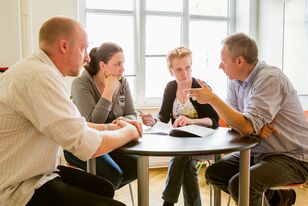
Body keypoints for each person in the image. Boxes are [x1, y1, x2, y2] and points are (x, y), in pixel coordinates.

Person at [0, 16, 142, 206]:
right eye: (83, 48)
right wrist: (130, 131)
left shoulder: (38, 71)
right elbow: (86, 145)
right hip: (18, 187)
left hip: (37, 173)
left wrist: (110, 128)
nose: (86, 57)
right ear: (64, 46)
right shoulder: (41, 77)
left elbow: (74, 123)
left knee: (104, 188)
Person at [186, 32, 308, 206]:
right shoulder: (235, 81)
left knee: (242, 185)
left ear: (240, 61)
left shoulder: (270, 79)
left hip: (293, 157)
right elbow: (236, 123)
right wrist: (251, 126)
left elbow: (245, 127)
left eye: (223, 60)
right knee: (214, 173)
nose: (220, 66)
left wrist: (213, 99)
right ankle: (276, 199)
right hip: (260, 151)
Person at [140, 46, 219, 206]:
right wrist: (153, 121)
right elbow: (163, 116)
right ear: (171, 71)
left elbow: (214, 120)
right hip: (181, 143)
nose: (184, 73)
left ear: (192, 65)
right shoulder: (170, 87)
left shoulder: (201, 87)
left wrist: (191, 121)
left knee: (181, 156)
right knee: (186, 163)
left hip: (204, 143)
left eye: (188, 67)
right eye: (179, 69)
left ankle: (167, 203)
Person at [64, 43, 137, 189]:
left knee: (138, 166)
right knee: (112, 176)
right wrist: (109, 91)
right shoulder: (80, 84)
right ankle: (97, 193)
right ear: (102, 66)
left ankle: (98, 192)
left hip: (113, 140)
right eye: (118, 64)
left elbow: (132, 115)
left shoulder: (123, 82)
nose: (123, 69)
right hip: (83, 143)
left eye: (123, 63)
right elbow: (91, 123)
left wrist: (122, 121)